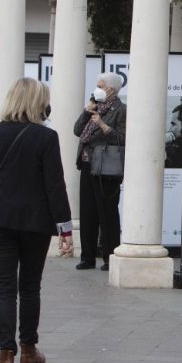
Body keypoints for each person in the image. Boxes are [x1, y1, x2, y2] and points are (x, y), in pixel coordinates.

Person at [0, 78, 72, 363]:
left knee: (4, 289)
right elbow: (55, 185)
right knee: (29, 287)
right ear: (39, 103)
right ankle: (28, 348)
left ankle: (5, 357)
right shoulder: (46, 138)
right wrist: (65, 228)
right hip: (34, 223)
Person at [74, 72, 127, 271]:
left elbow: (123, 138)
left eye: (101, 85)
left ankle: (109, 256)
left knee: (107, 213)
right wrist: (87, 112)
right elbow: (77, 130)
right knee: (87, 212)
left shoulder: (120, 110)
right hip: (87, 165)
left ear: (111, 89)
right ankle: (87, 257)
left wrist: (103, 125)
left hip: (106, 167)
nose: (97, 88)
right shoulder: (93, 106)